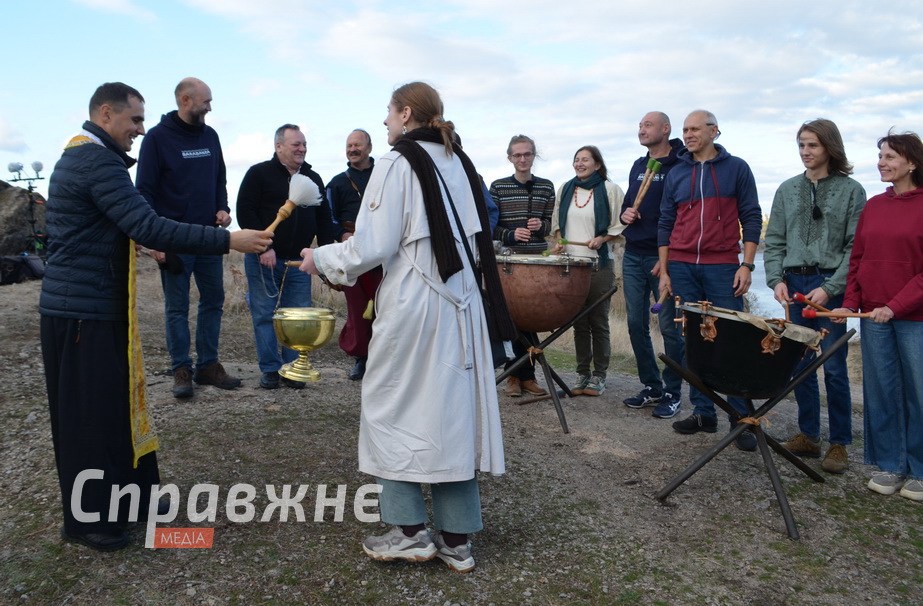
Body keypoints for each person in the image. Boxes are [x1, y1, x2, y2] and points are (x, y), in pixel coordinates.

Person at [40, 82, 271, 551]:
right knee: (90, 419)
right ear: (106, 114)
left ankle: (131, 501)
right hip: (82, 314)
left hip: (94, 307)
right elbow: (147, 225)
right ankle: (90, 521)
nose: (140, 131)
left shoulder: (88, 157)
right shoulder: (95, 161)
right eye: (134, 120)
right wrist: (229, 240)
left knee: (115, 409)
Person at [297, 82, 515, 572]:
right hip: (461, 303)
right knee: (451, 414)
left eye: (389, 112)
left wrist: (321, 258)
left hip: (418, 304)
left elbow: (370, 245)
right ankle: (456, 540)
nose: (385, 121)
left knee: (390, 407)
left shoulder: (396, 163)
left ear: (406, 113)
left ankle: (410, 533)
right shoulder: (459, 161)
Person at [764, 119, 866, 473]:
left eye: (813, 145)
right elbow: (775, 240)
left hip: (830, 285)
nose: (805, 152)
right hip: (794, 283)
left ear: (830, 147)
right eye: (802, 145)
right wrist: (775, 280)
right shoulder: (787, 189)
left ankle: (839, 443)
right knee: (800, 363)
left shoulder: (852, 191)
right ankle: (809, 434)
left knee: (834, 367)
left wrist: (831, 287)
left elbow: (855, 247)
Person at [657, 110, 762, 452]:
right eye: (685, 129)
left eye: (694, 129)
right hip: (682, 266)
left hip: (722, 266)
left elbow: (751, 216)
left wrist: (747, 265)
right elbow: (665, 223)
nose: (688, 134)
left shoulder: (737, 168)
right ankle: (704, 413)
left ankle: (740, 418)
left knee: (731, 339)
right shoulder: (677, 172)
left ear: (714, 131)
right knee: (693, 340)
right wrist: (665, 271)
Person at [832, 131, 923, 500]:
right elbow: (858, 259)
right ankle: (891, 465)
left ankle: (920, 470)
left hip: (915, 318)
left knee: (918, 393)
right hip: (874, 317)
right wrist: (850, 304)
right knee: (882, 391)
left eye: (889, 157)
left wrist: (895, 306)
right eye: (881, 156)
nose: (881, 162)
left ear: (912, 163)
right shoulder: (874, 205)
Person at [136, 77, 240, 399]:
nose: (209, 107)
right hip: (174, 240)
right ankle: (181, 369)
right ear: (185, 100)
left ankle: (208, 365)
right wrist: (154, 240)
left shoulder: (211, 136)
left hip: (209, 237)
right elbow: (145, 191)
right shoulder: (156, 138)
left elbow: (219, 178)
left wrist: (223, 208)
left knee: (213, 301)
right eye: (205, 102)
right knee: (177, 307)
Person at [237, 124, 345, 390]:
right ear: (279, 146)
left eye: (304, 144)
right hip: (264, 259)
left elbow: (323, 219)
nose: (302, 149)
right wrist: (264, 248)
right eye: (296, 144)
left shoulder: (313, 177)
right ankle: (270, 369)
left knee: (298, 318)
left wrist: (324, 256)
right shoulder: (258, 173)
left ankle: (293, 369)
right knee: (264, 314)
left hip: (299, 262)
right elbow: (245, 212)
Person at [619, 112, 685, 419]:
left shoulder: (681, 164)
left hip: (663, 257)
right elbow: (627, 205)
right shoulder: (638, 165)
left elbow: (681, 213)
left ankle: (673, 391)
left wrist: (667, 258)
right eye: (640, 125)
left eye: (648, 125)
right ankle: (652, 385)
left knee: (670, 328)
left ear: (665, 129)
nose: (641, 130)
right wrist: (625, 215)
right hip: (633, 253)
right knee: (635, 324)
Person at [550, 146, 625, 397]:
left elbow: (619, 225)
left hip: (598, 264)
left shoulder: (611, 190)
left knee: (598, 321)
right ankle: (582, 374)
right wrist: (560, 241)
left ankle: (599, 375)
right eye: (577, 160)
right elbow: (557, 223)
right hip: (571, 265)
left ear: (597, 165)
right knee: (579, 322)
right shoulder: (566, 188)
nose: (579, 164)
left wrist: (602, 239)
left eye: (585, 160)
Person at [490, 134, 555, 397]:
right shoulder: (498, 187)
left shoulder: (546, 187)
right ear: (510, 158)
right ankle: (514, 377)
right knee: (512, 317)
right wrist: (511, 234)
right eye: (517, 155)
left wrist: (541, 226)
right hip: (508, 262)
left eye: (527, 154)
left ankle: (525, 376)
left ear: (534, 155)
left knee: (531, 317)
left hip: (538, 261)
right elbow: (491, 226)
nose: (523, 159)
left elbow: (551, 224)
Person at [325, 129, 382, 381]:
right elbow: (328, 217)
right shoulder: (337, 183)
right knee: (358, 307)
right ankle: (362, 358)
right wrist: (342, 235)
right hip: (352, 249)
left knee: (386, 304)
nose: (352, 149)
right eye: (349, 145)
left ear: (369, 147)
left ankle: (385, 360)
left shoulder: (385, 176)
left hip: (383, 250)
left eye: (358, 145)